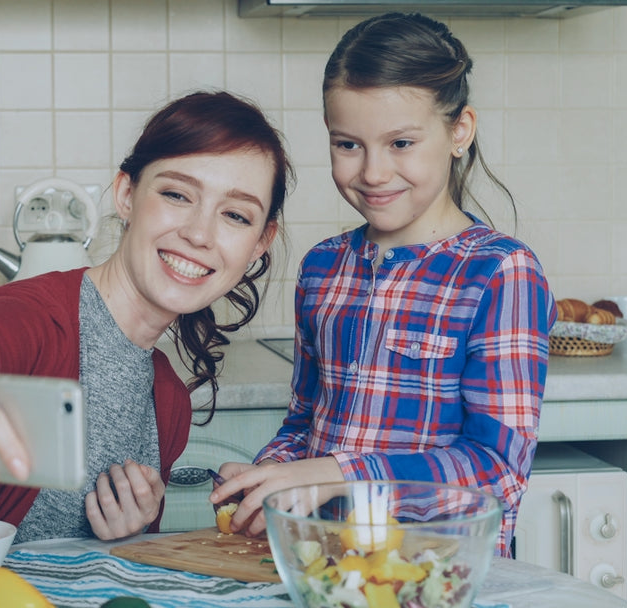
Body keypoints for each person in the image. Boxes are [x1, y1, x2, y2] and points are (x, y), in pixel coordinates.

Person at [0, 90, 291, 576]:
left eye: (235, 215)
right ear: (126, 195)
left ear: (260, 243)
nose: (200, 233)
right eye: (177, 194)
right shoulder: (32, 321)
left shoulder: (168, 399)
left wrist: (122, 535)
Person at [209, 12, 555, 557]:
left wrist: (338, 475)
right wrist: (268, 478)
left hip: (437, 575)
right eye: (347, 145)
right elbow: (303, 421)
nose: (372, 172)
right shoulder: (323, 267)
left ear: (458, 131)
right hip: (323, 565)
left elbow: (494, 472)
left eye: (400, 143)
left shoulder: (500, 272)